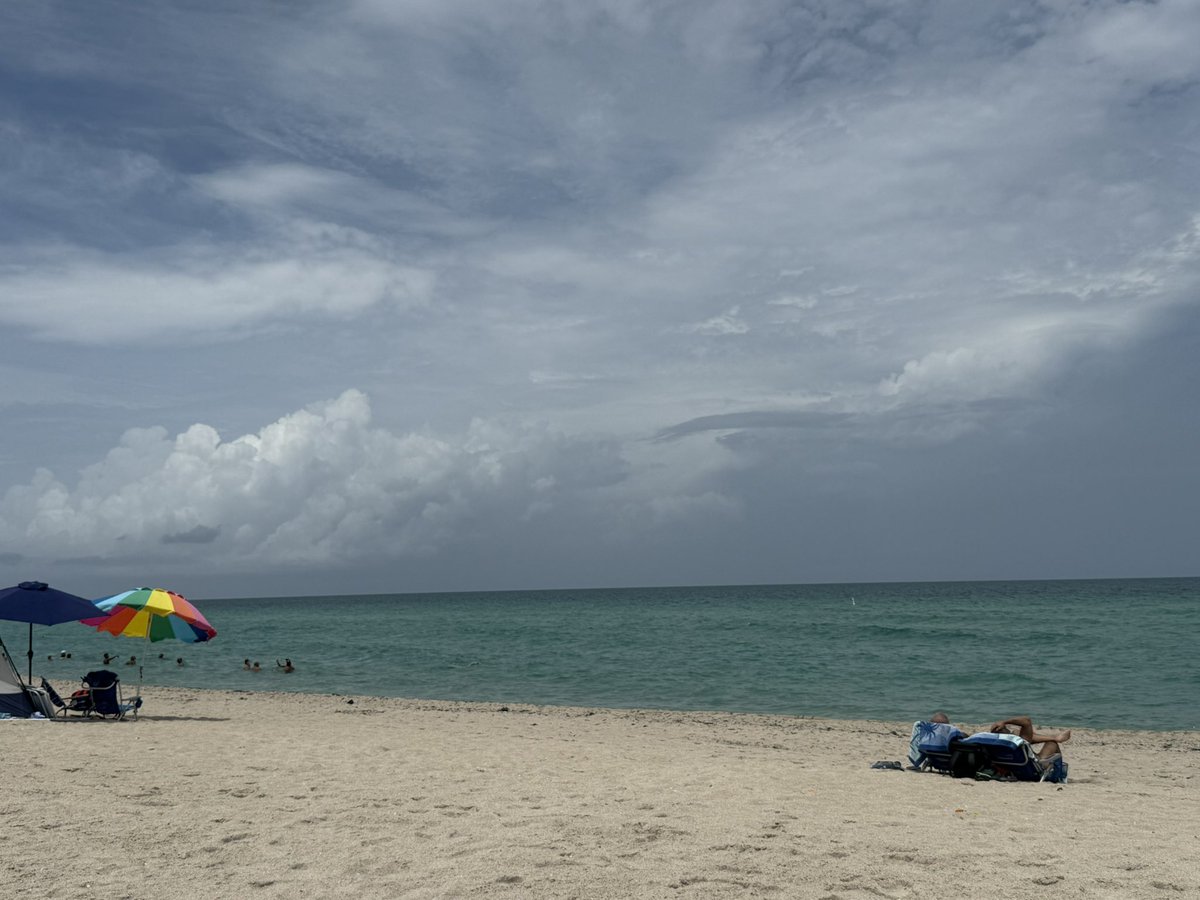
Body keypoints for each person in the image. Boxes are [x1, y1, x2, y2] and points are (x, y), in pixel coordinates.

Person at [989, 716, 1072, 760]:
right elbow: (1026, 720)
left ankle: (1055, 737)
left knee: (1016, 732)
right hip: (1034, 766)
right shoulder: (1016, 742)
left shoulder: (994, 745)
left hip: (1011, 766)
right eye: (1006, 728)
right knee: (1052, 743)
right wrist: (1004, 722)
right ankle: (1055, 738)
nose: (1008, 728)